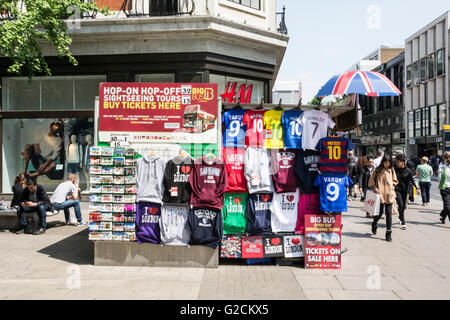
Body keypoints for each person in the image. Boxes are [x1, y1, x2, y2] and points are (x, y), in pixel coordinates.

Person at [368, 155, 398, 242]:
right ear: (383, 162)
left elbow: (395, 180)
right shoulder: (377, 170)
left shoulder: (391, 170)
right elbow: (371, 181)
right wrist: (375, 187)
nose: (387, 164)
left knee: (389, 214)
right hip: (379, 195)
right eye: (385, 162)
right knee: (379, 213)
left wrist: (392, 186)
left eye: (388, 163)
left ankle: (388, 233)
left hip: (389, 195)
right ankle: (374, 223)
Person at [395, 154, 420, 230]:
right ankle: (403, 223)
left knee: (403, 206)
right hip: (397, 190)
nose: (396, 163)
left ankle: (400, 216)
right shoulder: (395, 170)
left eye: (398, 162)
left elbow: (413, 179)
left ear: (402, 162)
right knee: (401, 204)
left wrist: (417, 188)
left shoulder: (408, 171)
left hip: (405, 190)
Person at [439, 152, 450, 224]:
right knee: (447, 205)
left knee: (447, 205)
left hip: (444, 187)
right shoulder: (442, 167)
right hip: (445, 188)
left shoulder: (442, 167)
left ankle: (443, 215)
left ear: (444, 158)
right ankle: (443, 216)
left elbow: (439, 178)